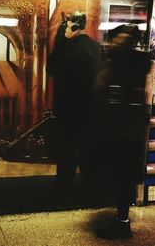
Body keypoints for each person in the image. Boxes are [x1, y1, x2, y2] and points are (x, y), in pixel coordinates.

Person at [91, 24, 152, 239]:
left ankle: (122, 223)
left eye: (119, 37)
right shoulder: (137, 62)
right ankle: (122, 219)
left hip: (122, 132)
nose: (114, 42)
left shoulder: (121, 63)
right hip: (128, 130)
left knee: (122, 177)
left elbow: (110, 95)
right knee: (122, 178)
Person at [46, 11, 100, 190]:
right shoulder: (96, 47)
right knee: (87, 145)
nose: (63, 29)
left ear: (74, 26)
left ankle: (64, 181)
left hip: (68, 106)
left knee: (66, 145)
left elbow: (51, 69)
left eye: (65, 26)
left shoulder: (67, 48)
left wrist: (61, 41)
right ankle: (89, 179)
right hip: (91, 106)